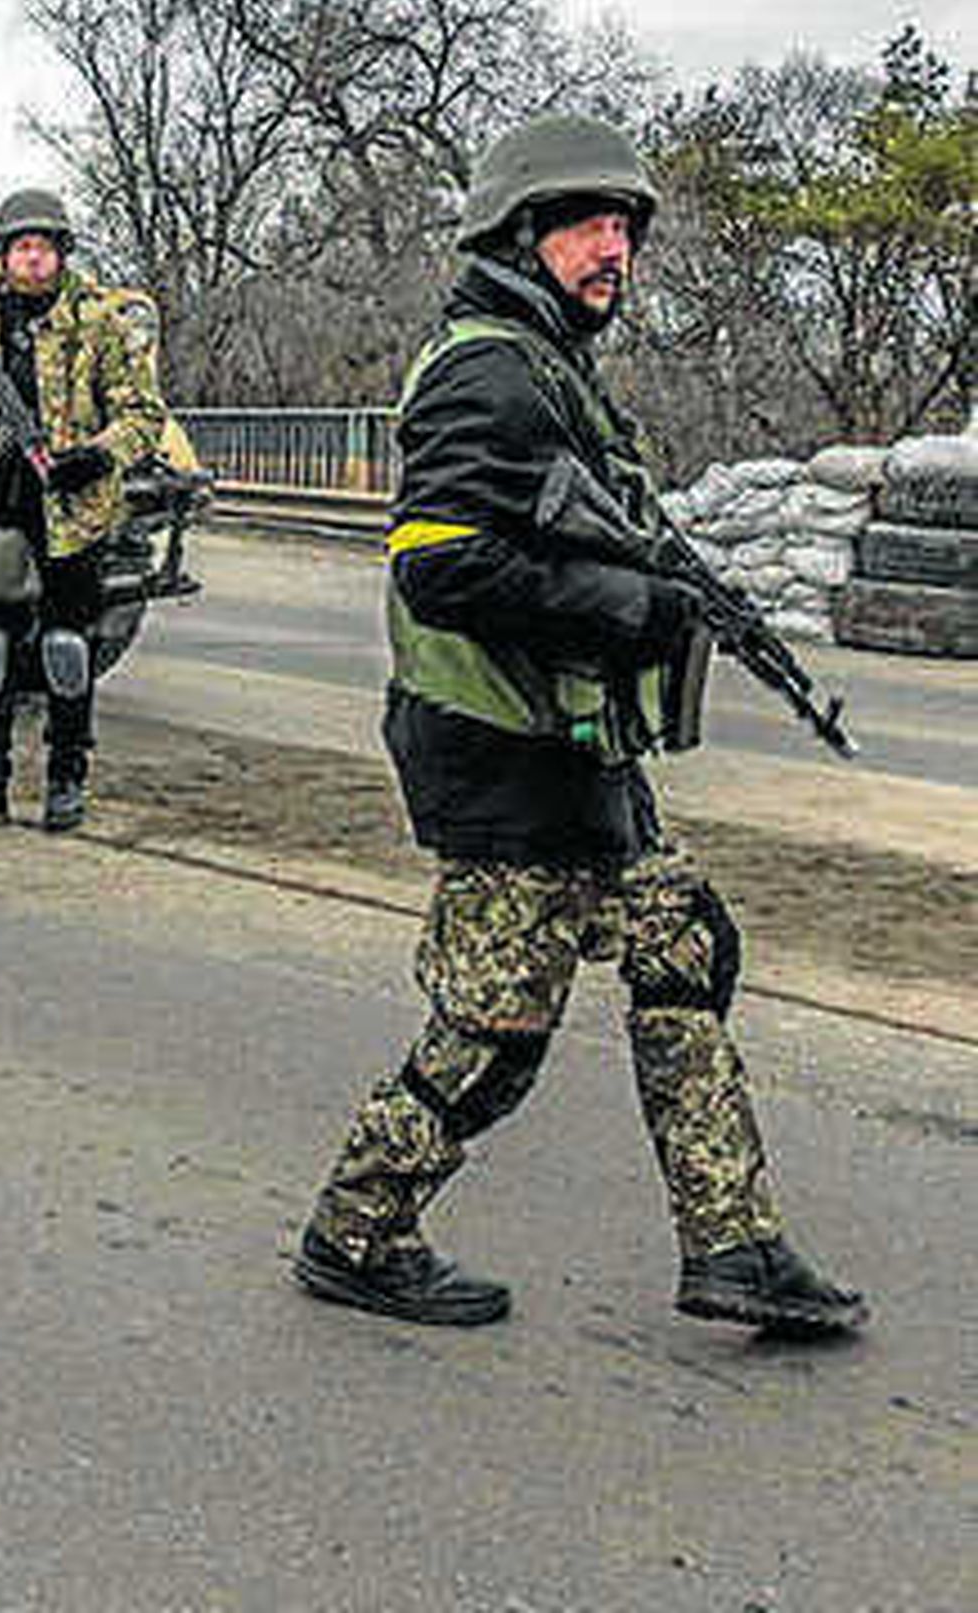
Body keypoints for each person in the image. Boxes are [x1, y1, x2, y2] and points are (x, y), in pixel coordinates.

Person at [293, 114, 867, 1337]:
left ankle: (735, 1244)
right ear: (521, 230)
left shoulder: (552, 365)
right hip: (501, 748)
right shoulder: (483, 370)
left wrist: (660, 599)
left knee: (683, 953)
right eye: (590, 225)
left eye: (625, 229)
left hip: (575, 745)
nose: (616, 250)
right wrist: (634, 607)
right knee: (493, 1032)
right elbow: (442, 567)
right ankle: (355, 1231)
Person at [0, 187, 167, 837]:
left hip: (71, 506)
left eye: (43, 248)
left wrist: (96, 456)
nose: (32, 260)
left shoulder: (97, 321)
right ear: (3, 254)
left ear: (60, 253)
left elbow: (144, 415)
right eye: (21, 248)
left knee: (66, 646)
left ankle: (66, 778)